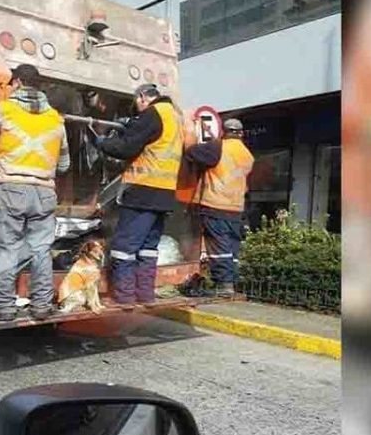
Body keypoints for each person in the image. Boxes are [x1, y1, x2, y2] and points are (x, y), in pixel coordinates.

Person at [0, 64, 70, 320]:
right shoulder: (56, 118)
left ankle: (6, 309)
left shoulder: (4, 109)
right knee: (41, 250)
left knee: (8, 248)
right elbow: (64, 165)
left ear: (18, 82)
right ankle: (41, 306)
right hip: (44, 192)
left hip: (11, 189)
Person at [95, 83, 183, 306]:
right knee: (148, 249)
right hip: (164, 193)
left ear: (143, 97)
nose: (137, 107)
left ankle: (124, 297)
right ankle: (145, 295)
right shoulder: (174, 116)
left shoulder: (153, 113)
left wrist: (103, 143)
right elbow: (151, 139)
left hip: (142, 191)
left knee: (124, 247)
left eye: (136, 102)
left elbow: (126, 148)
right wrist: (131, 126)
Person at [185, 118, 254, 296]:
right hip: (236, 207)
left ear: (223, 132)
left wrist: (193, 138)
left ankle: (224, 285)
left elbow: (191, 153)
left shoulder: (218, 147)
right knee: (231, 247)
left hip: (215, 204)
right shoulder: (247, 155)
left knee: (218, 246)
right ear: (241, 134)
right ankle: (230, 282)